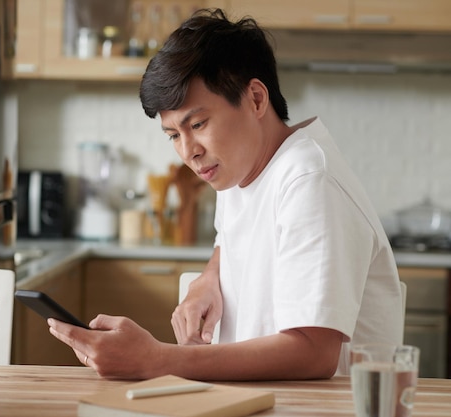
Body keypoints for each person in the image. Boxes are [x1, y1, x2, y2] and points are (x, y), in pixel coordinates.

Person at [48, 8, 403, 381]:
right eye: (173, 135)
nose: (188, 152)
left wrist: (157, 360)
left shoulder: (309, 181)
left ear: (255, 98)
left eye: (198, 124)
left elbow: (314, 353)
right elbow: (234, 237)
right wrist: (210, 277)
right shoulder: (240, 166)